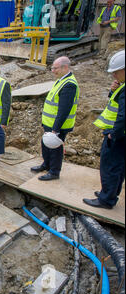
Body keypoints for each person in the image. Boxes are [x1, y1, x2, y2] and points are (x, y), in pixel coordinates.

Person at [83, 50, 125, 209]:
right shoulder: (122, 87)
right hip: (121, 135)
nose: (114, 75)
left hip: (117, 136)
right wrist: (113, 91)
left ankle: (106, 200)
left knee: (110, 167)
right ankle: (110, 193)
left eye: (116, 72)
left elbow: (123, 116)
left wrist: (113, 134)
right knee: (118, 167)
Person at [31, 56, 79, 181]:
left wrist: (55, 129)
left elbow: (64, 110)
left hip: (58, 126)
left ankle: (54, 172)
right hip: (49, 123)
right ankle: (46, 164)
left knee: (55, 148)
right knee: (46, 145)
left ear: (65, 67)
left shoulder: (69, 85)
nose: (53, 70)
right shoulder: (61, 80)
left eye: (55, 68)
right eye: (52, 68)